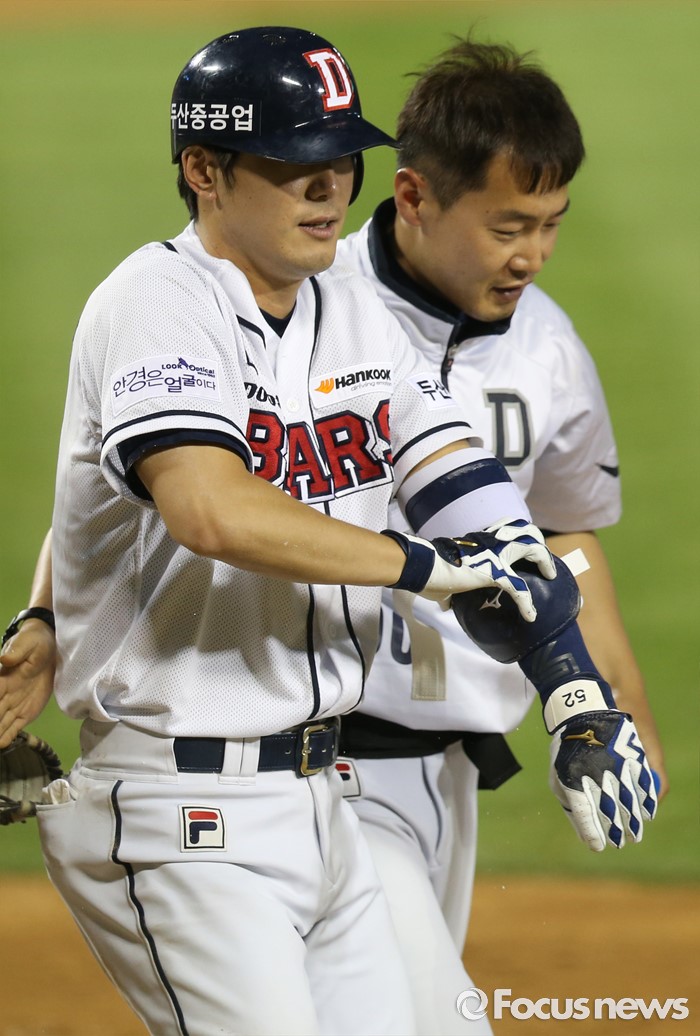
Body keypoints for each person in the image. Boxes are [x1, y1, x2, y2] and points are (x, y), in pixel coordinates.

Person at [0, 29, 659, 1036]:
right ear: (203, 170)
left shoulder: (351, 313)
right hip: (180, 805)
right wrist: (425, 569)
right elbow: (209, 508)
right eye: (294, 161)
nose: (329, 187)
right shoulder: (157, 301)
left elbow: (477, 499)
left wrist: (575, 690)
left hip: (318, 802)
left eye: (343, 159)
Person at [327, 35, 667, 1035]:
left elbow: (566, 540)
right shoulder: (313, 310)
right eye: (508, 226)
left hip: (450, 764)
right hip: (325, 760)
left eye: (551, 224)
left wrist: (617, 708)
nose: (532, 254)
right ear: (413, 196)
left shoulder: (548, 347)